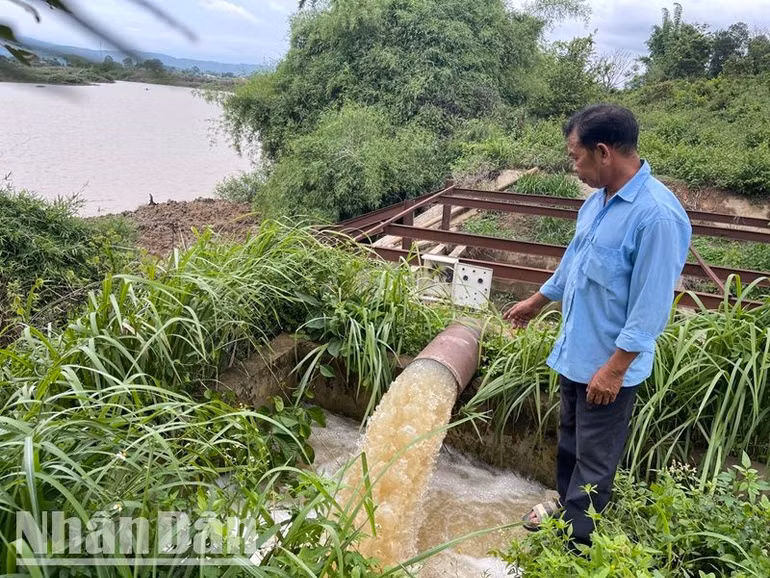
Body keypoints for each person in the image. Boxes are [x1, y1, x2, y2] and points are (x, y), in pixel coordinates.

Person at [504, 104, 692, 547]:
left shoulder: (657, 217)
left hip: (608, 367)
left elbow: (650, 306)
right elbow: (576, 262)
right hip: (576, 354)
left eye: (575, 156)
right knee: (570, 445)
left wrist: (614, 369)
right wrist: (537, 300)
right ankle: (565, 515)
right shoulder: (596, 204)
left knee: (594, 464)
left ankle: (577, 550)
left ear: (603, 152)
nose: (574, 166)